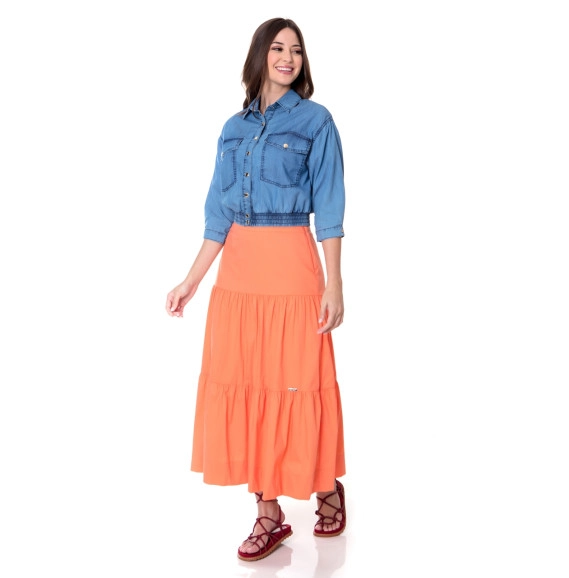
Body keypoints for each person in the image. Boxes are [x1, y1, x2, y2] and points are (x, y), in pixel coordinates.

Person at [165, 17, 347, 562]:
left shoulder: (316, 121)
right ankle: (268, 513)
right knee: (248, 384)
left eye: (297, 49)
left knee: (295, 383)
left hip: (292, 266)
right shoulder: (232, 128)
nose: (288, 57)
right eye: (278, 47)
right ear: (260, 55)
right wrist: (191, 280)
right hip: (239, 274)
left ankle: (325, 487)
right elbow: (218, 215)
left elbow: (330, 208)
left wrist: (334, 283)